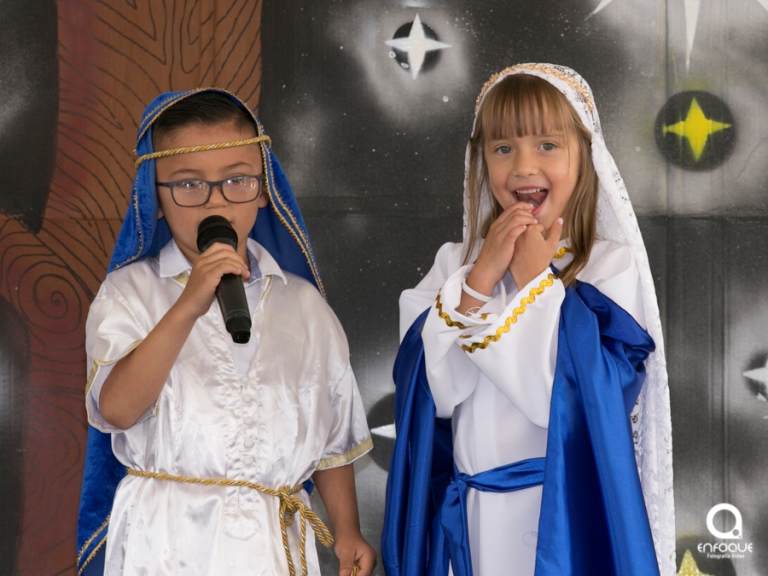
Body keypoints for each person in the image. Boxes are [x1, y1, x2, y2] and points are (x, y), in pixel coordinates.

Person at [382, 64, 675, 576]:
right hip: (470, 525)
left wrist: (536, 284)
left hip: (563, 522)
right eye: (502, 148)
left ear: (585, 157)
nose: (522, 167)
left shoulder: (609, 268)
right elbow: (437, 396)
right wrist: (479, 282)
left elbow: (557, 404)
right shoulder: (454, 265)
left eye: (547, 145)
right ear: (480, 161)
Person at [76, 89, 376, 576]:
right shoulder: (128, 292)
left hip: (272, 544)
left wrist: (346, 529)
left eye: (237, 181)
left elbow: (333, 436)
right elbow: (115, 408)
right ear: (155, 196)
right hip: (166, 539)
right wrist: (187, 306)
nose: (215, 202)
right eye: (189, 185)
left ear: (263, 189)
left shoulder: (304, 305)